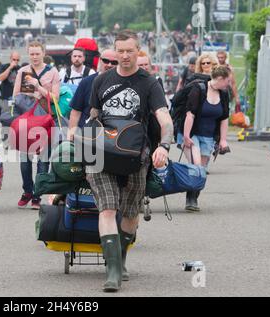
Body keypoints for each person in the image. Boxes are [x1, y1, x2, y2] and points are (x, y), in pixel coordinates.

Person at [87, 31, 173, 292]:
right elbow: (93, 116)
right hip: (101, 154)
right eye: (120, 51)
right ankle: (112, 271)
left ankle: (120, 258)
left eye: (130, 51)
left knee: (132, 213)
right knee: (108, 209)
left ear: (139, 52)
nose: (124, 56)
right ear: (114, 51)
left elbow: (164, 118)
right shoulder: (101, 81)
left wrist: (165, 146)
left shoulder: (149, 83)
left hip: (136, 155)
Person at [13, 41, 60, 209]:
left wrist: (38, 87)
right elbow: (16, 96)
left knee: (44, 158)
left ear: (43, 53)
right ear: (28, 54)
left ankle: (37, 194)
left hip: (45, 118)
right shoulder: (22, 71)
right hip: (27, 118)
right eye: (31, 54)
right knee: (25, 158)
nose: (34, 57)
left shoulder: (53, 71)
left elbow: (55, 97)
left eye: (37, 53)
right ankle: (27, 190)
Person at [180, 66, 231, 212]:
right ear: (220, 79)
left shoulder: (224, 94)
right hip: (191, 132)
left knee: (202, 170)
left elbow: (224, 118)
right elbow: (190, 115)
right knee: (196, 165)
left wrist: (223, 140)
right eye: (227, 80)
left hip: (209, 137)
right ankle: (190, 199)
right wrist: (186, 137)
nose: (228, 83)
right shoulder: (199, 90)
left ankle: (194, 197)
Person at [68, 49, 118, 134]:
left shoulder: (124, 83)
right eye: (105, 61)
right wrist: (71, 138)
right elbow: (75, 112)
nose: (109, 65)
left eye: (114, 62)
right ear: (100, 60)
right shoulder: (86, 82)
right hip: (88, 134)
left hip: (113, 136)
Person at [0, 52, 21, 147]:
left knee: (17, 120)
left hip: (17, 98)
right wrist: (10, 67)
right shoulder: (4, 66)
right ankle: (6, 141)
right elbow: (0, 78)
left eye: (17, 60)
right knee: (6, 120)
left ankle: (15, 141)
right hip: (5, 97)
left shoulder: (20, 69)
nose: (15, 62)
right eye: (14, 59)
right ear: (10, 58)